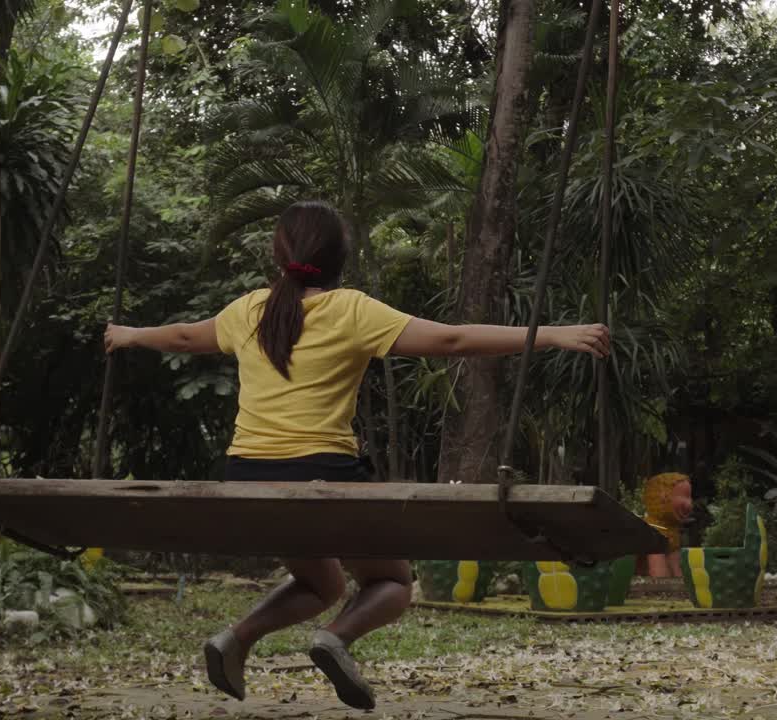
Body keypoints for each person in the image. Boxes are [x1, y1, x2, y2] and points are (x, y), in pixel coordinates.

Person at [103, 200, 609, 710]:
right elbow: (453, 340)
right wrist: (550, 336)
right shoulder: (350, 310)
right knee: (392, 580)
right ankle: (334, 638)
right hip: (321, 475)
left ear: (279, 256)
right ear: (338, 258)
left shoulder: (249, 309)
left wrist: (131, 335)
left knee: (321, 582)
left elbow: (188, 337)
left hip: (247, 478)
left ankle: (237, 638)